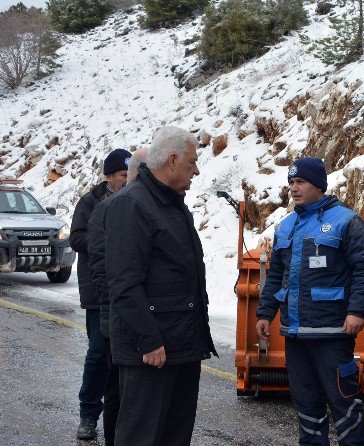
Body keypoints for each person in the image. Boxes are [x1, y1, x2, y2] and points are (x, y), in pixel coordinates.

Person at [105, 127, 217, 445]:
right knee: (142, 437)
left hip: (180, 346)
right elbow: (124, 284)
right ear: (172, 160)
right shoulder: (132, 204)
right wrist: (149, 341)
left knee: (174, 437)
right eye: (192, 162)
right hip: (152, 352)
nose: (196, 170)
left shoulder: (171, 203)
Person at [256, 157, 364, 446]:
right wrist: (265, 313)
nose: (294, 189)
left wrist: (357, 311)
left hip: (333, 332)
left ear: (319, 185)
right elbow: (276, 277)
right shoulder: (285, 227)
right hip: (296, 334)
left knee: (342, 400)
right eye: (291, 183)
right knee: (305, 401)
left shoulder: (346, 221)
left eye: (301, 182)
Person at [87, 147, 147, 446]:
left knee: (136, 395)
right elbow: (101, 267)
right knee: (116, 389)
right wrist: (122, 306)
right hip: (116, 316)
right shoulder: (104, 208)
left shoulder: (141, 205)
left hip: (138, 317)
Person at [71, 148, 131, 440]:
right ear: (109, 175)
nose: (127, 179)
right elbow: (77, 237)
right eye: (123, 175)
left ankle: (119, 415)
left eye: (130, 174)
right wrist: (109, 235)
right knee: (98, 354)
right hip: (98, 293)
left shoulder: (133, 200)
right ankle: (88, 414)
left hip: (126, 293)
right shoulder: (90, 201)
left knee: (123, 356)